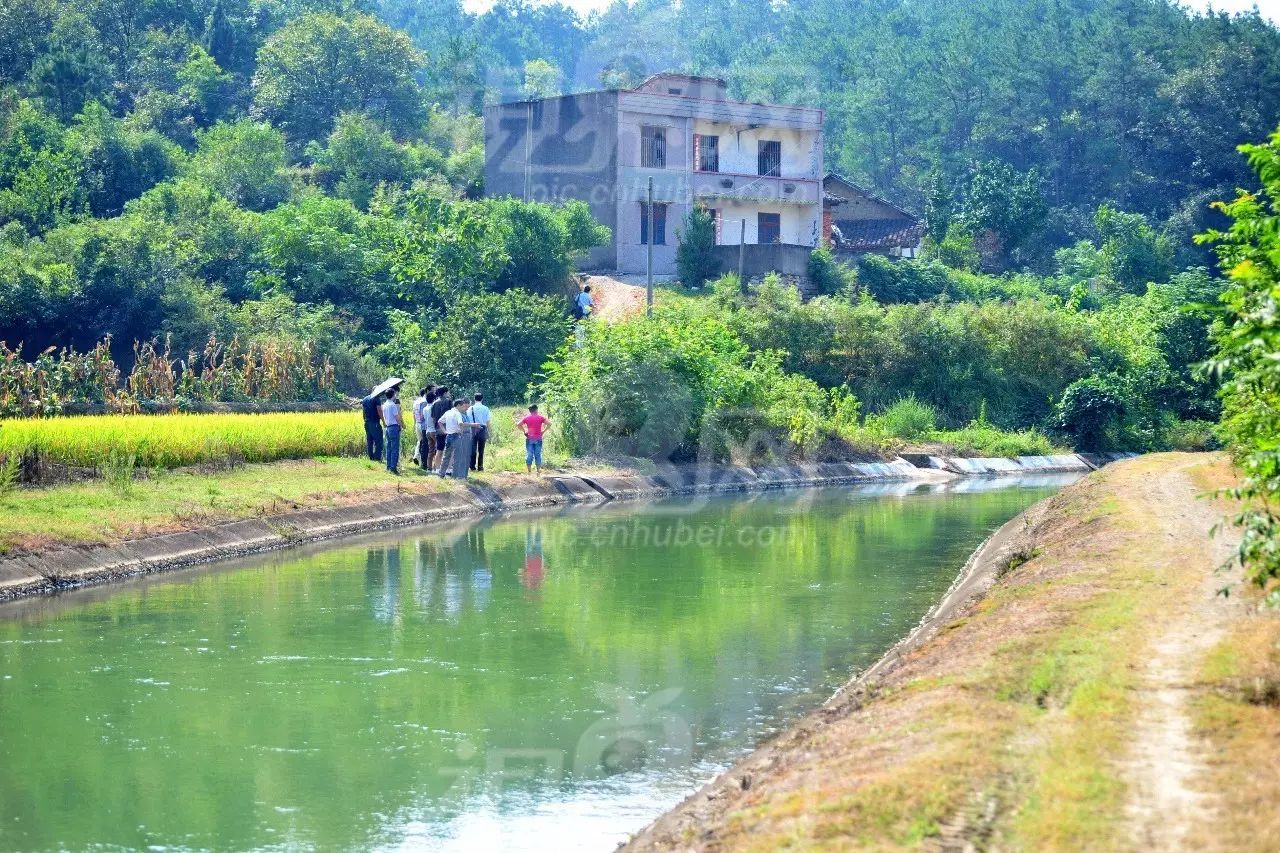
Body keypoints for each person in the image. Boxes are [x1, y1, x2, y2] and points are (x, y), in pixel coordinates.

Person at [437, 398, 480, 477]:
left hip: (449, 436)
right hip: (457, 436)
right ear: (458, 405)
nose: (464, 408)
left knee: (446, 456)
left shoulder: (448, 412)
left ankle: (441, 474)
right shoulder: (457, 413)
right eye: (463, 406)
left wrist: (444, 431)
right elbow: (460, 424)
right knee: (457, 456)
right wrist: (473, 425)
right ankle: (455, 475)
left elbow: (439, 421)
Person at [518, 403, 549, 475]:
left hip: (529, 439)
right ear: (536, 409)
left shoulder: (527, 418)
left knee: (529, 454)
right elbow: (549, 424)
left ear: (530, 411)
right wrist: (543, 431)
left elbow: (518, 425)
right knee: (538, 454)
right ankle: (538, 472)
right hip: (538, 439)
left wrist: (524, 431)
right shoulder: (541, 417)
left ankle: (529, 472)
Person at [427, 386, 452, 470]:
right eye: (447, 392)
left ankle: (437, 469)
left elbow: (433, 418)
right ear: (445, 393)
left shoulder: (434, 403)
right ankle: (448, 468)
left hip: (438, 429)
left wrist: (436, 426)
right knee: (449, 450)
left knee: (439, 449)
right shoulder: (448, 402)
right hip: (448, 428)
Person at [412, 385, 436, 467]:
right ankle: (424, 463)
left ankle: (418, 458)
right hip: (425, 426)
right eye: (433, 390)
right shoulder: (425, 402)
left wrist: (414, 423)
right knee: (425, 445)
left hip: (418, 424)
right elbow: (423, 416)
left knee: (421, 443)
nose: (434, 392)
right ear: (427, 391)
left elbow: (414, 413)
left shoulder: (417, 401)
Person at [468, 393, 492, 471]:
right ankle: (480, 467)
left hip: (473, 428)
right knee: (481, 449)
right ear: (482, 399)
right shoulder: (486, 408)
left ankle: (472, 466)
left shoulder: (470, 408)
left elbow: (468, 420)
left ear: (474, 399)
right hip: (482, 428)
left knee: (473, 448)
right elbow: (488, 421)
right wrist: (490, 431)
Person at [382, 388, 404, 474]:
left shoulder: (385, 404)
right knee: (395, 448)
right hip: (394, 427)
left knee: (389, 447)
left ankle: (388, 466)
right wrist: (401, 425)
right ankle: (393, 467)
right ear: (393, 394)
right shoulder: (393, 405)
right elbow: (397, 417)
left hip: (387, 427)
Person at [361, 390, 385, 461]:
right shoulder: (376, 398)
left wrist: (365, 420)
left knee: (369, 440)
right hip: (374, 422)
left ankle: (371, 457)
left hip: (367, 422)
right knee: (379, 440)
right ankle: (377, 458)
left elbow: (363, 411)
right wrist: (383, 421)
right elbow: (379, 411)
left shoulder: (365, 399)